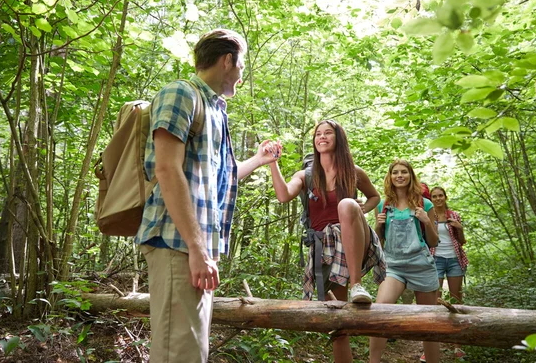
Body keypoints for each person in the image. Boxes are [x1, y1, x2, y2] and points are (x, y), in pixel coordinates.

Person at [135, 28, 281, 363]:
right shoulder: (180, 94)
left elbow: (219, 178)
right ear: (228, 60)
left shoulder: (215, 110)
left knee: (191, 350)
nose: (241, 75)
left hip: (194, 249)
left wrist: (259, 160)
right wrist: (197, 249)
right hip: (176, 243)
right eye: (241, 65)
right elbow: (167, 170)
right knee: (179, 353)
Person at [267, 119, 385, 363]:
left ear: (338, 138)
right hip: (324, 249)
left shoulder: (353, 172)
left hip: (352, 243)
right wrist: (273, 164)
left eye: (328, 133)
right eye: (318, 134)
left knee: (347, 204)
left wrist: (359, 210)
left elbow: (374, 197)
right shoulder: (306, 176)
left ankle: (357, 285)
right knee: (336, 321)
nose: (321, 137)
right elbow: (282, 195)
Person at [369, 159, 440, 363]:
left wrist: (427, 221)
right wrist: (378, 227)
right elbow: (379, 243)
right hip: (393, 266)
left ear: (411, 176)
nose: (399, 175)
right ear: (390, 178)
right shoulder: (383, 206)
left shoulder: (425, 204)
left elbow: (434, 241)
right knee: (379, 311)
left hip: (421, 265)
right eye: (395, 173)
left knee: (429, 322)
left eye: (404, 172)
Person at [430, 186, 469, 359]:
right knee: (435, 302)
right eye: (434, 196)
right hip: (435, 260)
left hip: (454, 261)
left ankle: (457, 345)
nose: (438, 199)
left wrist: (459, 227)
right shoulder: (428, 215)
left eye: (440, 196)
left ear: (445, 197)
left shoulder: (454, 215)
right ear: (430, 199)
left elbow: (462, 242)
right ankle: (431, 348)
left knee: (456, 300)